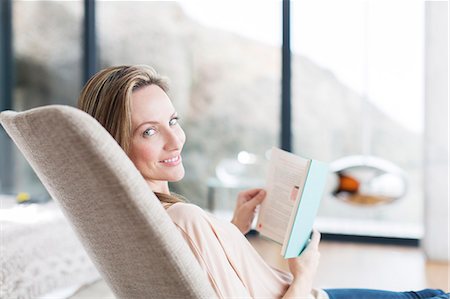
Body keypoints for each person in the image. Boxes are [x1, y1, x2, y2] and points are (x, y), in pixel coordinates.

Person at [78, 65, 448, 299]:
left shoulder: (142, 220)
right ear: (113, 143)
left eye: (173, 121)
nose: (176, 141)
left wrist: (233, 231)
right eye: (148, 131)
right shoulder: (182, 220)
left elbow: (202, 277)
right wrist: (302, 273)